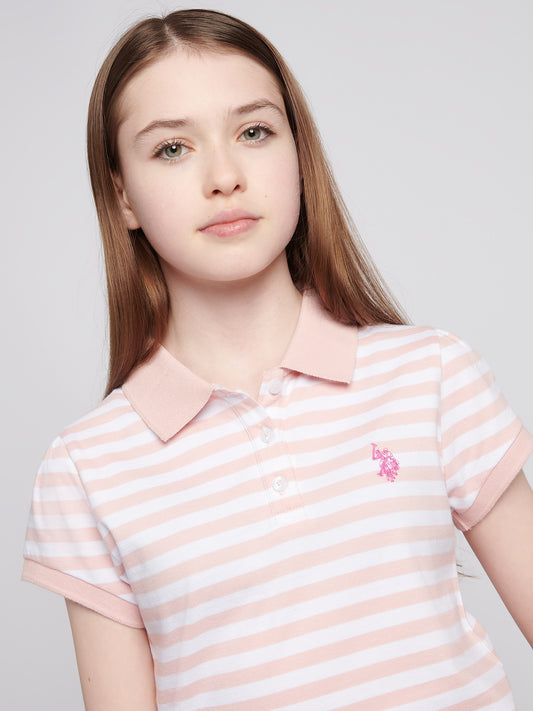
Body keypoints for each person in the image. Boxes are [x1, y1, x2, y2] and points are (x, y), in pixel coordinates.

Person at [22, 8, 533, 711]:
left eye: (253, 132)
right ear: (122, 195)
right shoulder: (86, 468)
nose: (224, 176)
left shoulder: (432, 377)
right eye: (172, 148)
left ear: (298, 155)